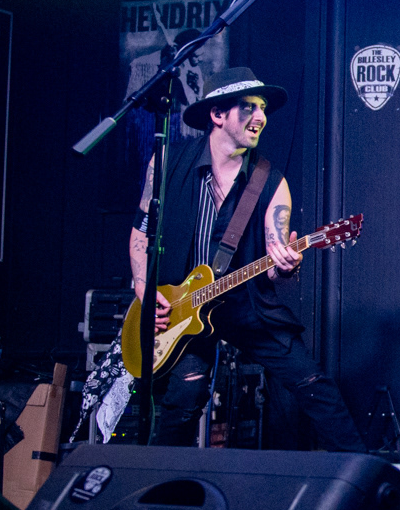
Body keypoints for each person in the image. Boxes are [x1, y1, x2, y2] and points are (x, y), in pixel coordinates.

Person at [130, 67, 366, 451]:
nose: (260, 116)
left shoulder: (269, 181)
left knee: (313, 385)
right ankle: (160, 480)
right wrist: (143, 290)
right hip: (181, 306)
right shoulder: (168, 163)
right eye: (248, 107)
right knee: (184, 399)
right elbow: (141, 232)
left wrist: (285, 265)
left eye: (262, 108)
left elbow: (276, 263)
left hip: (246, 304)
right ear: (217, 114)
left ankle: (363, 470)